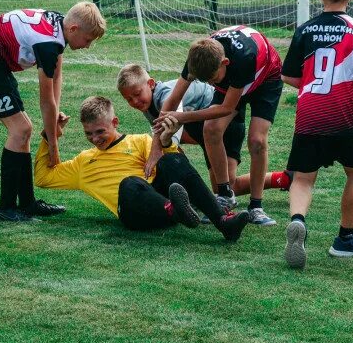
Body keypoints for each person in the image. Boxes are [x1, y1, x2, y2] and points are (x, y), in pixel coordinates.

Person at [33, 96, 250, 241]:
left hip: (163, 199)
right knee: (129, 183)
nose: (94, 139)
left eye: (100, 131)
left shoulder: (140, 142)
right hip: (135, 214)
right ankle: (176, 209)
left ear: (115, 122)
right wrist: (49, 136)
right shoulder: (83, 162)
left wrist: (165, 141)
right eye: (88, 134)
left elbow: (179, 167)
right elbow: (43, 177)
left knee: (170, 159)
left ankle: (223, 221)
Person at [0, 4, 106, 222]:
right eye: (88, 40)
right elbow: (45, 100)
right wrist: (53, 147)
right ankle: (6, 208)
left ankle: (28, 203)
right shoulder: (48, 43)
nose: (88, 46)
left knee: (24, 130)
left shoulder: (60, 27)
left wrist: (56, 112)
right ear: (74, 29)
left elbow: (57, 75)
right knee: (20, 129)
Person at [281, 0, 353, 269]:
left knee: (303, 178)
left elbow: (288, 75)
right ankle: (346, 239)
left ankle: (298, 220)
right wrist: (352, 99)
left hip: (309, 114)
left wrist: (311, 86)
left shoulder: (305, 29)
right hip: (343, 115)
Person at [155, 25, 283, 226]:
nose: (213, 85)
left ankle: (256, 206)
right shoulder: (198, 58)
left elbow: (226, 108)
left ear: (225, 62)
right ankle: (225, 194)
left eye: (214, 79)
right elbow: (172, 100)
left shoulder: (243, 58)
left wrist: (182, 117)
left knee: (257, 140)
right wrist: (157, 145)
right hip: (234, 80)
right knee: (211, 128)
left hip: (266, 79)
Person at [116, 64, 293, 196]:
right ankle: (284, 179)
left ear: (151, 84)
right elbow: (164, 135)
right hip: (203, 131)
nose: (135, 102)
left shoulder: (165, 93)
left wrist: (159, 151)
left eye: (137, 94)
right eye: (128, 99)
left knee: (227, 188)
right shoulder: (147, 105)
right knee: (222, 188)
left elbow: (173, 123)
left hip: (226, 125)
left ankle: (284, 179)